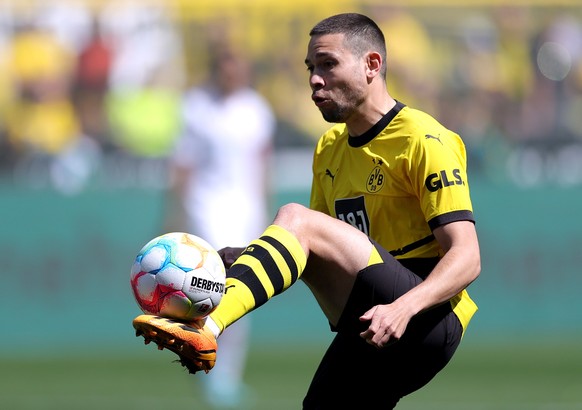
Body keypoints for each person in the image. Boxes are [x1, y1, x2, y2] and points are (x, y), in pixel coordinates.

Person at [133, 12, 480, 409]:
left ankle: (206, 325)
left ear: (372, 65)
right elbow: (311, 250)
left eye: (328, 64)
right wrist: (249, 257)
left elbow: (467, 257)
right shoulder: (329, 147)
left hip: (425, 318)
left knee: (297, 218)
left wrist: (403, 307)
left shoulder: (424, 139)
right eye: (311, 68)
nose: (315, 79)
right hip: (368, 322)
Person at [165, 43, 275, 409]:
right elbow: (184, 163)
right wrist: (176, 212)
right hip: (205, 207)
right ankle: (208, 369)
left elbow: (261, 165)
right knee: (211, 292)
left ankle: (226, 376)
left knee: (242, 293)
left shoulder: (256, 110)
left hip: (245, 211)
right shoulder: (197, 107)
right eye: (227, 67)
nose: (234, 74)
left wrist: (263, 210)